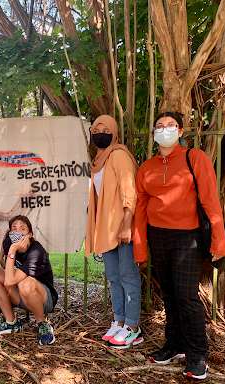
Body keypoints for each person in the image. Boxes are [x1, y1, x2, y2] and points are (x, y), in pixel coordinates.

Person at [134, 111, 225, 380]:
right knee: (169, 294)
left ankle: (198, 354)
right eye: (159, 126)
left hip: (189, 237)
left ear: (180, 130)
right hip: (158, 235)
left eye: (170, 126)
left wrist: (219, 242)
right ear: (154, 133)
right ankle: (174, 346)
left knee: (187, 296)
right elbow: (140, 209)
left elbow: (210, 200)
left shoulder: (195, 158)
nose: (164, 130)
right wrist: (140, 248)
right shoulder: (146, 167)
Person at [84, 115, 143, 349]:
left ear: (114, 132)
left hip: (122, 228)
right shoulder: (99, 159)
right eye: (95, 129)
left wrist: (127, 224)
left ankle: (133, 327)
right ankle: (119, 321)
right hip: (106, 229)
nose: (99, 132)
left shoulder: (119, 155)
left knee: (128, 277)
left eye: (104, 129)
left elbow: (131, 191)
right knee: (114, 278)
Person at [0, 215, 58, 345]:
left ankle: (42, 323)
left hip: (43, 299)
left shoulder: (36, 252)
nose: (17, 232)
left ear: (30, 234)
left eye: (22, 229)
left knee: (25, 283)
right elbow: (5, 241)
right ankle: (10, 323)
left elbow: (9, 282)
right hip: (20, 295)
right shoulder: (9, 242)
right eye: (14, 229)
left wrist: (12, 250)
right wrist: (2, 257)